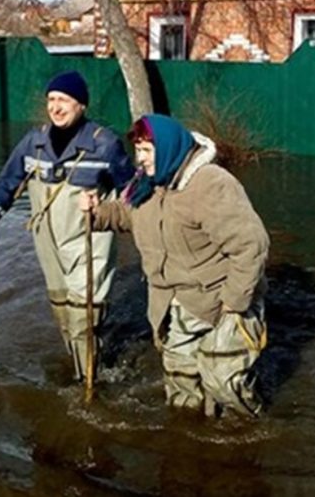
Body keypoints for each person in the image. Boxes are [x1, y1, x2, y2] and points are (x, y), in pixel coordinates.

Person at [81, 114, 269, 416]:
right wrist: (97, 213)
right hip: (173, 303)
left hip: (222, 302)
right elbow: (127, 214)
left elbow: (251, 245)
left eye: (147, 150)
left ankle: (249, 440)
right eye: (138, 150)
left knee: (224, 384)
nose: (140, 159)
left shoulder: (210, 184)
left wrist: (234, 302)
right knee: (182, 387)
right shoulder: (146, 184)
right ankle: (190, 443)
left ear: (168, 147)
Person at [0, 70, 134, 381]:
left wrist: (119, 214)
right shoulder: (34, 142)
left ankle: (91, 383)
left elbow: (132, 194)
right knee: (63, 313)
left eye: (64, 100)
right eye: (51, 100)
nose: (56, 107)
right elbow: (6, 184)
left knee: (83, 317)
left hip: (89, 241)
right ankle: (82, 369)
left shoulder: (106, 145)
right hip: (47, 241)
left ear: (81, 105)